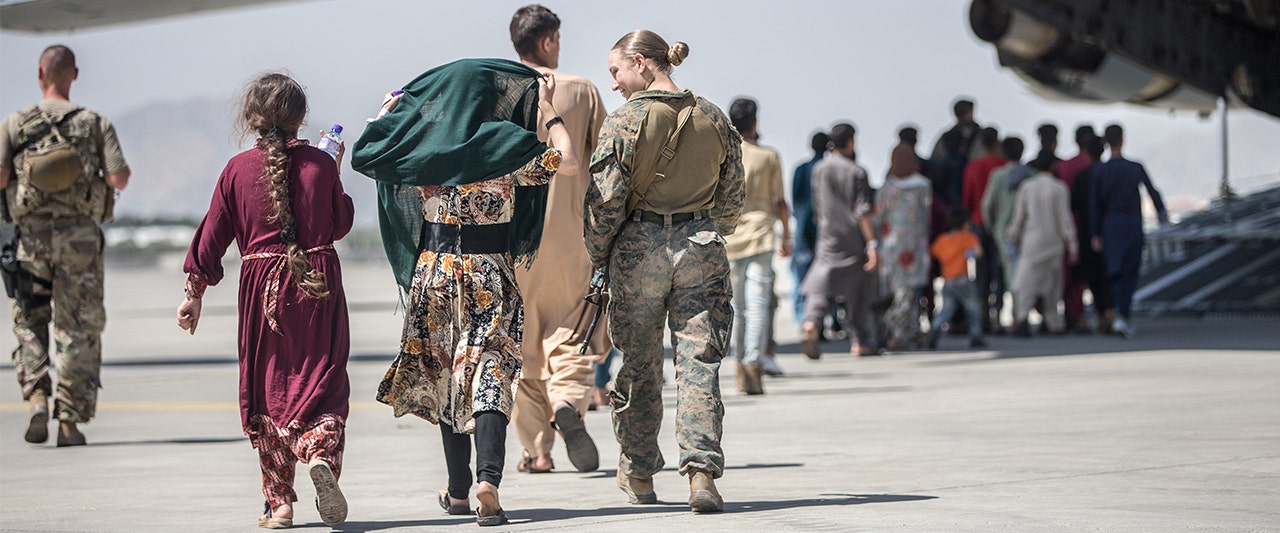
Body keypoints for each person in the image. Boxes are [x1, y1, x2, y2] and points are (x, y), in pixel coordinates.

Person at [355, 59, 580, 527]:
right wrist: (550, 112)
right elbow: (570, 160)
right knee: (490, 375)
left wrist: (386, 115)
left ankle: (458, 493)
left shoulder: (424, 148)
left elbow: (363, 154)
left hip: (434, 275)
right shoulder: (508, 143)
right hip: (490, 274)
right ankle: (487, 482)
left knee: (446, 377)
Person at [177, 73, 353, 529]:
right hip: (317, 283)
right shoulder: (320, 163)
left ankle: (280, 504)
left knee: (270, 391)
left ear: (252, 118)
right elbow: (339, 224)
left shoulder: (235, 170)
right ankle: (318, 452)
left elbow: (211, 236)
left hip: (261, 292)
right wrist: (332, 166)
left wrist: (193, 294)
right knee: (323, 381)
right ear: (300, 118)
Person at [584, 30, 744, 514]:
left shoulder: (624, 121)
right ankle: (700, 475)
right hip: (701, 247)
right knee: (699, 363)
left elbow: (604, 204)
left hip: (638, 250)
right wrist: (704, 222)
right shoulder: (714, 116)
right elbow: (732, 198)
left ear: (640, 63)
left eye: (615, 71)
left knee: (639, 363)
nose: (612, 83)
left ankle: (638, 472)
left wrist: (598, 255)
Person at [1, 45, 130, 447]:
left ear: (40, 73)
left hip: (31, 243)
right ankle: (70, 423)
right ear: (73, 74)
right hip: (80, 244)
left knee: (30, 321)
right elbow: (119, 178)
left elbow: (1, 178)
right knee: (78, 329)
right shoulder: (95, 123)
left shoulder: (14, 123)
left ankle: (37, 397)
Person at [506, 3, 610, 475]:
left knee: (524, 344)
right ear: (548, 41)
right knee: (574, 329)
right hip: (572, 238)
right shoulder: (582, 91)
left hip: (510, 243)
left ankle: (537, 451)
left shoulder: (497, 92)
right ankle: (568, 399)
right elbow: (608, 161)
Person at [724, 97, 790, 394]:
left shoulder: (724, 155)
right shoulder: (769, 157)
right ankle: (753, 365)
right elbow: (780, 203)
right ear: (755, 122)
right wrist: (787, 235)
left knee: (737, 306)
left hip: (729, 238)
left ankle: (740, 367)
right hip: (762, 234)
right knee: (759, 304)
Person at [799, 123, 880, 358]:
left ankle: (811, 323)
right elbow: (862, 210)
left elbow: (817, 204)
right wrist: (872, 244)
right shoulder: (856, 171)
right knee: (859, 289)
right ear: (851, 142)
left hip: (827, 235)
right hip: (853, 237)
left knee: (822, 284)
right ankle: (860, 340)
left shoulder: (819, 169)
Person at [1090, 124, 1167, 338]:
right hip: (1132, 224)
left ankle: (1118, 315)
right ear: (1122, 140)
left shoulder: (1100, 171)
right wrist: (1161, 212)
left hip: (1110, 226)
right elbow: (1152, 191)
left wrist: (1095, 233)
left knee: (1114, 272)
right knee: (1129, 272)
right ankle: (1123, 314)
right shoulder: (1135, 167)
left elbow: (1095, 204)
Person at [1006, 154, 1077, 337]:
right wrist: (1072, 244)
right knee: (1053, 286)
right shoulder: (1059, 188)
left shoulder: (1027, 187)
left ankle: (1022, 318)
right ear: (1053, 166)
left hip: (1032, 243)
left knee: (1027, 284)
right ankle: (1053, 322)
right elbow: (1064, 220)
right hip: (1053, 243)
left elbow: (1019, 216)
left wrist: (1012, 237)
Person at [876, 143, 932, 351]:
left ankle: (903, 332)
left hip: (891, 245)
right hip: (916, 244)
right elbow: (926, 215)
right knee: (909, 291)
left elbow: (879, 216)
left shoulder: (887, 188)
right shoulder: (923, 185)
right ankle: (898, 330)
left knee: (901, 291)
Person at [960, 127, 1006, 334]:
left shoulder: (973, 167)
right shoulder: (1003, 166)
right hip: (999, 225)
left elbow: (967, 198)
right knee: (1000, 271)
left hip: (978, 223)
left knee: (981, 273)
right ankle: (997, 313)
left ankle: (983, 315)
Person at [982, 135, 1029, 329]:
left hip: (1004, 232)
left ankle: (1017, 315)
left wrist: (992, 228)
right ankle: (1019, 314)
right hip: (1026, 231)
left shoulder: (998, 175)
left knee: (1011, 273)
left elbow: (987, 205)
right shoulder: (1030, 174)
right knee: (1023, 272)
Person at [1070, 135, 1114, 333]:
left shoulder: (1082, 177)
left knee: (1091, 276)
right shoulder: (1110, 173)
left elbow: (1074, 206)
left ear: (1086, 153)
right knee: (1107, 274)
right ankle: (1108, 312)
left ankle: (1097, 313)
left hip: (1087, 233)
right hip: (1109, 231)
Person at [1056, 125, 1097, 333]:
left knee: (1069, 275)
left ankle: (1071, 314)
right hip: (1091, 226)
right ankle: (1084, 316)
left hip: (1069, 225)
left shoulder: (1065, 166)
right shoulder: (1095, 167)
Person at [927, 206, 986, 349]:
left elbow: (932, 253)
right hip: (963, 278)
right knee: (973, 308)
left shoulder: (942, 240)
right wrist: (969, 254)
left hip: (947, 280)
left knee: (946, 310)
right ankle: (976, 335)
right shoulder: (968, 238)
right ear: (964, 223)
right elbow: (978, 252)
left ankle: (935, 330)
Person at [930, 98, 981, 205]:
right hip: (951, 183)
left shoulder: (981, 134)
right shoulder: (947, 136)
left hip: (974, 176)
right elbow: (937, 158)